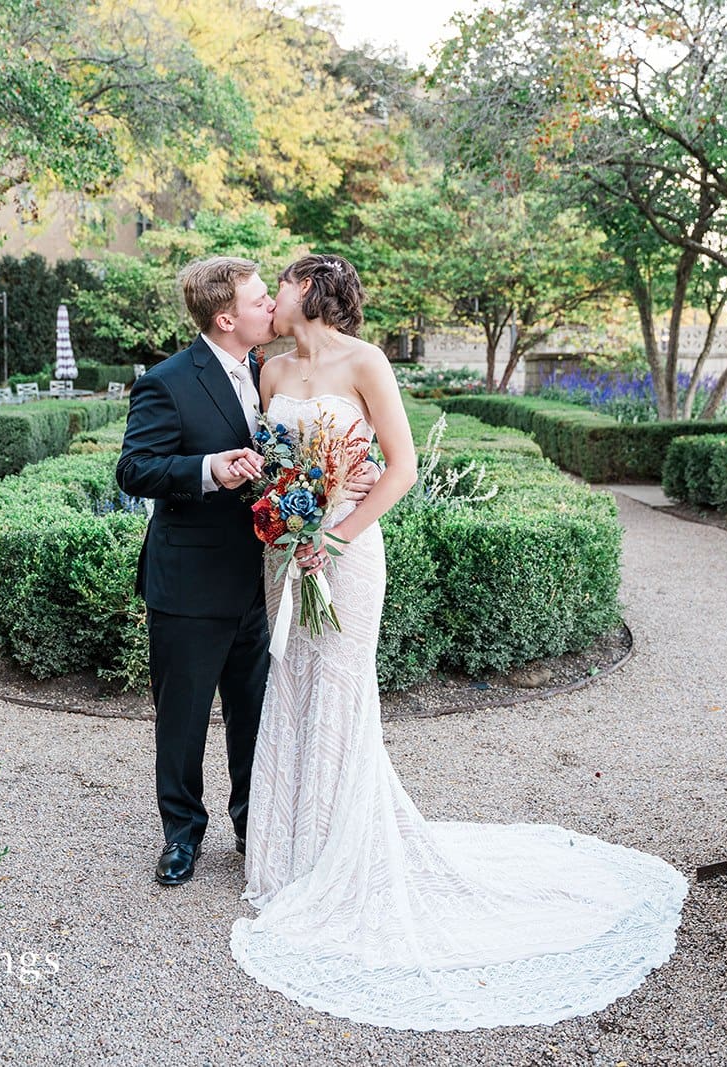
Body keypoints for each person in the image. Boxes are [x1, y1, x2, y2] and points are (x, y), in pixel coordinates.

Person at [229, 253, 689, 1031]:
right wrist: (285, 519)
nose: (271, 295)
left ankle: (336, 859)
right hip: (287, 556)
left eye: (280, 284)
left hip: (348, 552)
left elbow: (399, 468)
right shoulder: (270, 374)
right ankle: (286, 857)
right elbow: (274, 468)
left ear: (309, 290)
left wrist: (333, 536)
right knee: (293, 684)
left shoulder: (367, 362)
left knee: (339, 684)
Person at [114, 256, 377, 886]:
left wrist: (346, 476)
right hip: (189, 583)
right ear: (225, 316)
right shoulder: (167, 381)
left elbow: (304, 454)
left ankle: (250, 824)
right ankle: (181, 835)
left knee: (255, 713)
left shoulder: (271, 370)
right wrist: (207, 469)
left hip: (265, 577)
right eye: (259, 300)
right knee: (182, 717)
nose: (270, 306)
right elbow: (134, 469)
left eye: (271, 296)